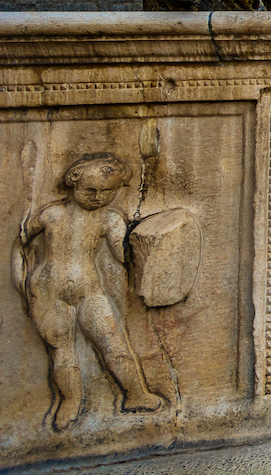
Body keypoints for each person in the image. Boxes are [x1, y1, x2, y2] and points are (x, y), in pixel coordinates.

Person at [13, 153, 164, 430]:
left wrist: (148, 244)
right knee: (61, 351)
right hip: (47, 291)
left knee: (113, 343)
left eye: (107, 192)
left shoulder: (109, 219)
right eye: (90, 190)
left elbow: (122, 255)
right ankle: (70, 401)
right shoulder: (50, 214)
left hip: (88, 290)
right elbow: (20, 244)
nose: (98, 197)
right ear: (74, 182)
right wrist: (21, 283)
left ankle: (135, 394)